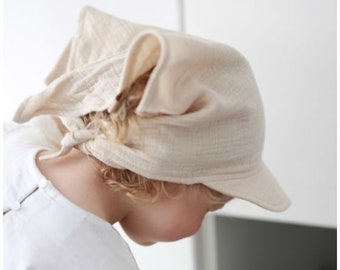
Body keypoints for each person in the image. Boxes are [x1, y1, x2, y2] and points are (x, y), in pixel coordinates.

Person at [3, 6, 290, 270]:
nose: (200, 225)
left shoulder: (14, 140)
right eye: (207, 209)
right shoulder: (100, 262)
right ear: (166, 175)